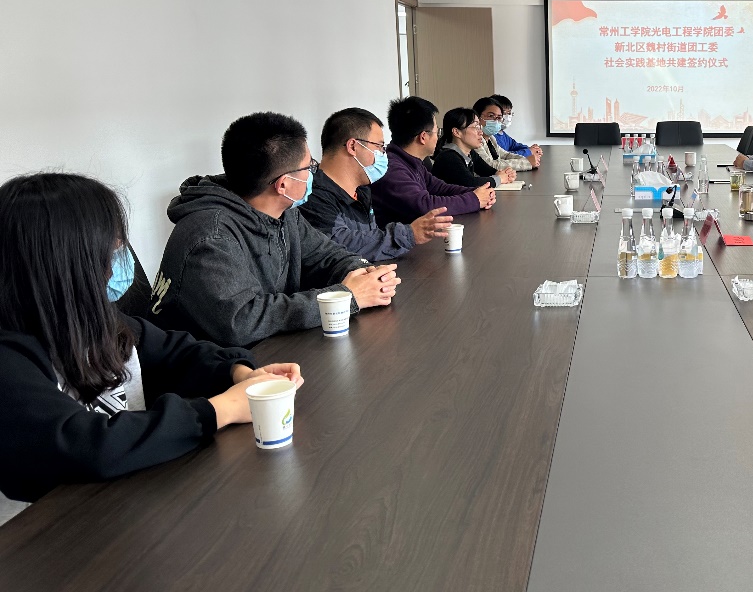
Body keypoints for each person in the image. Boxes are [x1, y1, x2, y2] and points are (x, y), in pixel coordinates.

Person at [0, 173, 303, 516]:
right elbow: (87, 445)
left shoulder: (98, 322)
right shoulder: (9, 361)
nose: (123, 253)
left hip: (127, 507)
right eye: (113, 245)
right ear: (65, 262)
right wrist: (221, 410)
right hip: (50, 531)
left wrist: (238, 373)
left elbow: (178, 351)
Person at [152, 112, 401, 347]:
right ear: (283, 185)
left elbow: (326, 255)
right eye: (309, 167)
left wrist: (366, 274)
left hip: (266, 352)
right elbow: (243, 319)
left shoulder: (285, 212)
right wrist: (344, 297)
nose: (314, 173)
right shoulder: (211, 235)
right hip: (213, 368)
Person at [301, 107, 453, 262]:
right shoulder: (312, 196)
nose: (383, 154)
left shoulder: (362, 191)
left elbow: (370, 244)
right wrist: (409, 234)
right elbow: (339, 246)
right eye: (379, 147)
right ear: (353, 146)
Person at [377, 96, 495, 224]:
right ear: (423, 137)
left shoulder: (413, 162)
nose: (438, 137)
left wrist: (477, 193)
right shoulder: (392, 168)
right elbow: (425, 206)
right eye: (436, 132)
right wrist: (474, 199)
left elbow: (440, 188)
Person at [430, 107, 517, 188]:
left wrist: (506, 174)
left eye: (480, 127)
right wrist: (500, 178)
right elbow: (471, 183)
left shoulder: (469, 152)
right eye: (475, 127)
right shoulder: (448, 157)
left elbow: (488, 171)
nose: (481, 132)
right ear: (456, 132)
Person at [474, 97, 538, 171]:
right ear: (477, 117)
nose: (496, 121)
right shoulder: (474, 139)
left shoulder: (491, 138)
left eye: (499, 118)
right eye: (491, 116)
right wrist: (526, 163)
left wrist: (527, 159)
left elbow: (505, 155)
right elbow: (489, 165)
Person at [490, 93, 541, 160]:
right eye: (504, 113)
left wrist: (532, 149)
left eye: (509, 113)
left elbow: (515, 146)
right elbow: (505, 156)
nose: (508, 116)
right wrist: (529, 152)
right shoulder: (491, 136)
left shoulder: (503, 134)